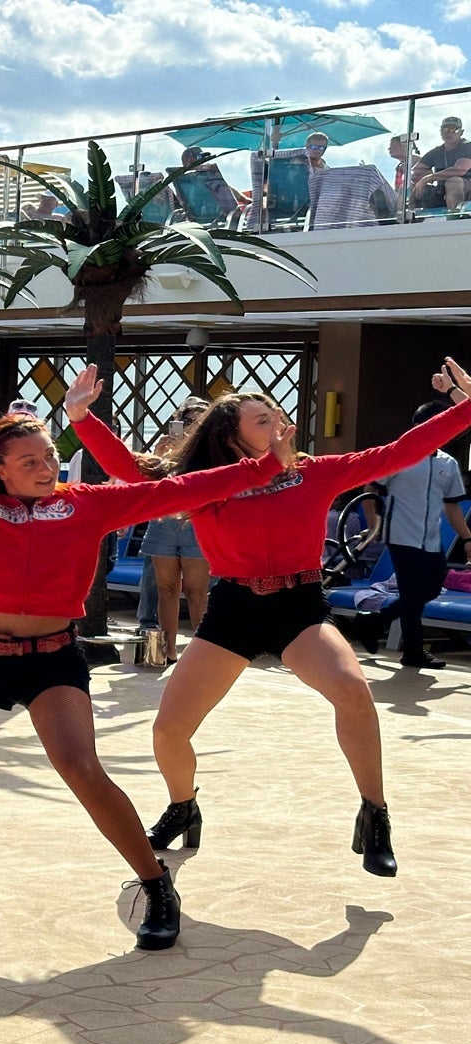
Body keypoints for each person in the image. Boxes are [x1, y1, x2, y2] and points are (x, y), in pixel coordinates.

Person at [0, 350, 292, 953]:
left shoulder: (89, 503)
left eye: (51, 457)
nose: (44, 466)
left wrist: (263, 467)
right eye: (28, 461)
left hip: (52, 661)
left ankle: (156, 884)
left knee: (82, 770)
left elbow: (187, 485)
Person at [66, 358, 471, 879]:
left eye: (278, 413)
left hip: (297, 608)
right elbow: (133, 472)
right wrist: (82, 419)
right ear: (230, 435)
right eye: (263, 418)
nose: (279, 421)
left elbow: (397, 453)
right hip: (234, 609)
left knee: (353, 691)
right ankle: (183, 805)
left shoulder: (312, 471)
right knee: (169, 732)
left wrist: (463, 413)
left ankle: (375, 815)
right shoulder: (204, 482)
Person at [354, 395, 471, 668]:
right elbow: (370, 488)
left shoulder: (448, 464)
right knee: (412, 592)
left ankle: (373, 620)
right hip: (401, 536)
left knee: (429, 589)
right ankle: (413, 651)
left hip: (431, 539)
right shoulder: (398, 456)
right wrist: (373, 526)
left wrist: (467, 537)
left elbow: (452, 506)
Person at [139, 397, 212, 664]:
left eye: (200, 420)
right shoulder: (167, 448)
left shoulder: (211, 449)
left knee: (196, 592)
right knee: (166, 589)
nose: (193, 425)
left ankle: (200, 656)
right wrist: (159, 456)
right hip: (164, 523)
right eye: (188, 420)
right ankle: (166, 650)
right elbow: (148, 484)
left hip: (196, 522)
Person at [411, 116, 471, 211]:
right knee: (408, 186)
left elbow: (459, 170)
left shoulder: (468, 146)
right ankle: (403, 220)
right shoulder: (437, 151)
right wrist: (416, 178)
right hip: (441, 190)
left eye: (453, 129)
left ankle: (455, 216)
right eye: (444, 129)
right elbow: (417, 170)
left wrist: (429, 178)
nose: (448, 132)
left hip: (466, 189)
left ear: (461, 132)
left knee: (453, 181)